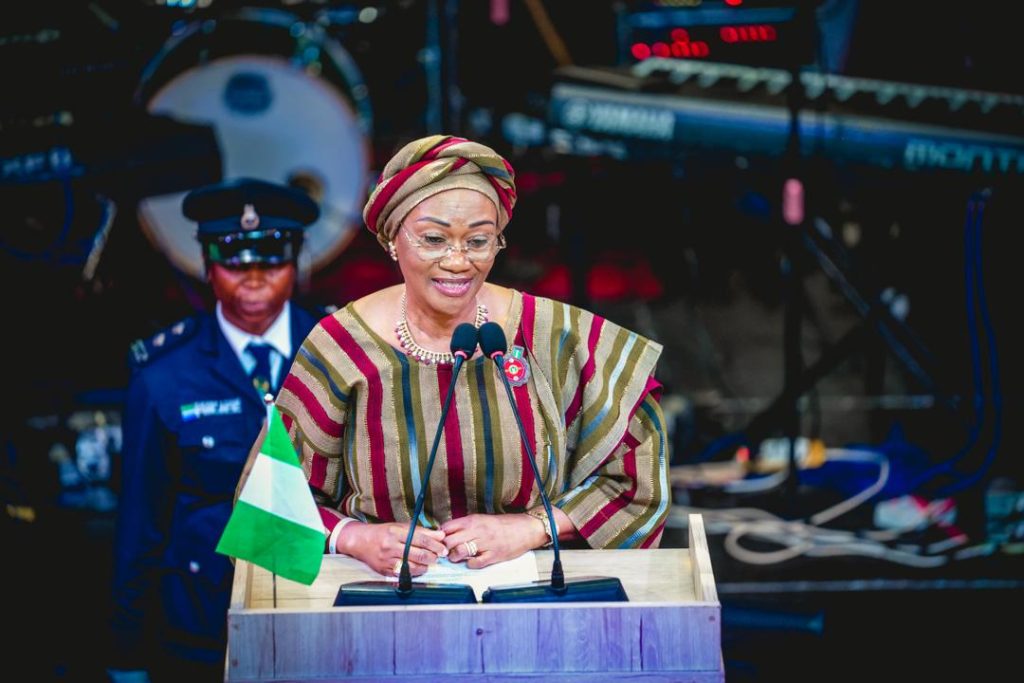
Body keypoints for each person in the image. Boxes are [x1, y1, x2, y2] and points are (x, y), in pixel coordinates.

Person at [250, 134, 670, 578]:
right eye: (433, 239)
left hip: (531, 607)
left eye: (478, 241)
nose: (458, 261)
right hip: (379, 606)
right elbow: (271, 503)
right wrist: (353, 537)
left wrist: (531, 528)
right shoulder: (341, 347)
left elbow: (639, 483)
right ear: (394, 239)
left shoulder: (555, 337)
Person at [109, 178, 322, 682]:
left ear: (296, 263)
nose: (253, 277)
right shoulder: (164, 374)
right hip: (200, 624)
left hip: (319, 609)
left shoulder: (339, 355)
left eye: (270, 259)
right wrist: (125, 653)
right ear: (206, 266)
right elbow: (140, 524)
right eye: (233, 261)